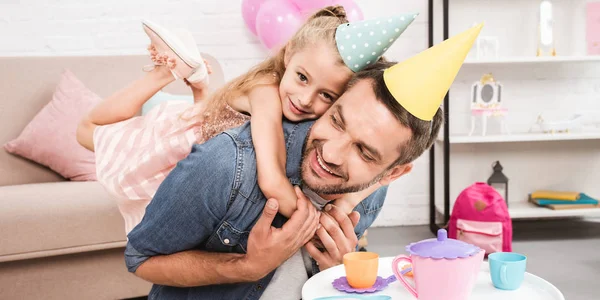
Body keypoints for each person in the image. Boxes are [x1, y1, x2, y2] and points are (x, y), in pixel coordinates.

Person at [123, 24, 483, 299]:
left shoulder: (368, 194)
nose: (330, 153)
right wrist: (245, 267)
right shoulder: (227, 164)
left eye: (364, 152)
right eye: (337, 120)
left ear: (392, 173)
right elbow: (140, 259)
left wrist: (340, 274)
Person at [75, 6, 416, 234]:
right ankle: (162, 75)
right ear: (287, 56)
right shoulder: (267, 94)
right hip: (176, 133)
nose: (305, 99)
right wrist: (316, 224)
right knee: (88, 131)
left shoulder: (314, 118)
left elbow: (222, 128)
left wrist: (352, 198)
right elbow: (272, 177)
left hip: (205, 127)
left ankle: (193, 80)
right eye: (301, 77)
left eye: (327, 96)